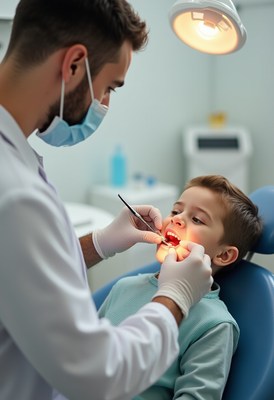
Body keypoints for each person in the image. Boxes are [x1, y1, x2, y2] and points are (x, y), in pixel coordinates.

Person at [0, 1, 213, 399]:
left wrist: (97, 244)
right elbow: (98, 373)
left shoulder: (14, 164)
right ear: (75, 64)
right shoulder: (14, 195)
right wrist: (174, 299)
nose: (105, 104)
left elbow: (19, 275)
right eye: (110, 87)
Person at [98, 175, 263, 400]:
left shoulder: (213, 324)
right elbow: (83, 355)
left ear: (224, 254)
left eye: (197, 219)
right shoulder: (124, 287)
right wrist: (99, 243)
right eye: (176, 211)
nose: (177, 220)